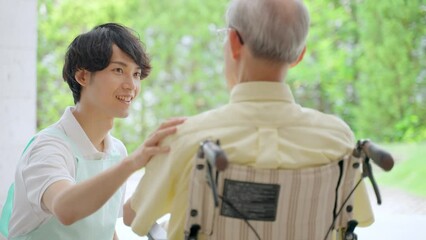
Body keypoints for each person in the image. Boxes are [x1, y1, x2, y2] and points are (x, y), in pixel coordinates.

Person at [124, 0, 374, 239]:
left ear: (233, 41)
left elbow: (132, 216)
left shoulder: (185, 137)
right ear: (299, 55)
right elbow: (355, 218)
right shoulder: (336, 139)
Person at [7, 23, 185, 240]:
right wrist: (135, 161)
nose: (131, 85)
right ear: (82, 77)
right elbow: (65, 208)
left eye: (136, 74)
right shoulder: (48, 148)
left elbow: (107, 228)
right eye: (118, 70)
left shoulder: (116, 150)